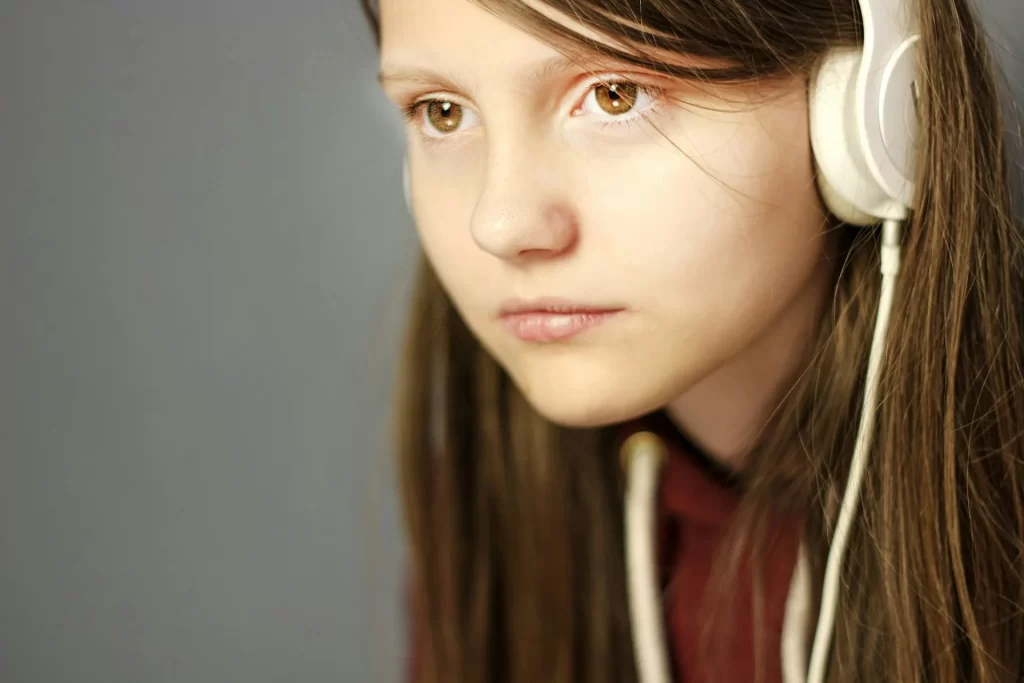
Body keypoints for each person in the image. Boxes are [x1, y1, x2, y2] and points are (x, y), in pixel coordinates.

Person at [361, 0, 1024, 681]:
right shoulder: (494, 499)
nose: (499, 223)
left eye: (616, 95)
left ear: (869, 116)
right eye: (442, 111)